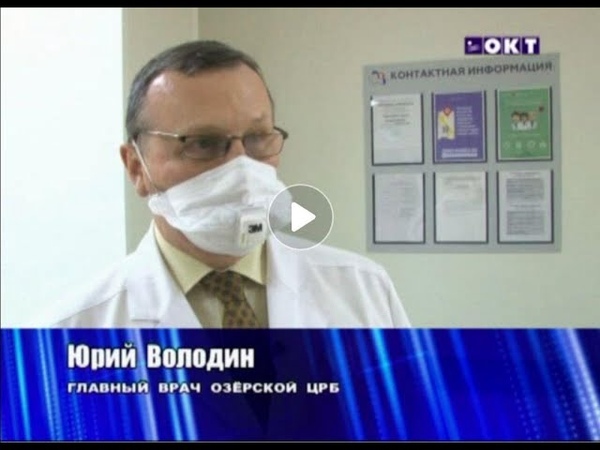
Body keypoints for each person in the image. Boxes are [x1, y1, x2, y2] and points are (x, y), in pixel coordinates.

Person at [47, 40, 411, 329]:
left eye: (257, 138)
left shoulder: (365, 292)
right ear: (136, 167)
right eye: (203, 143)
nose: (242, 168)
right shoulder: (68, 332)